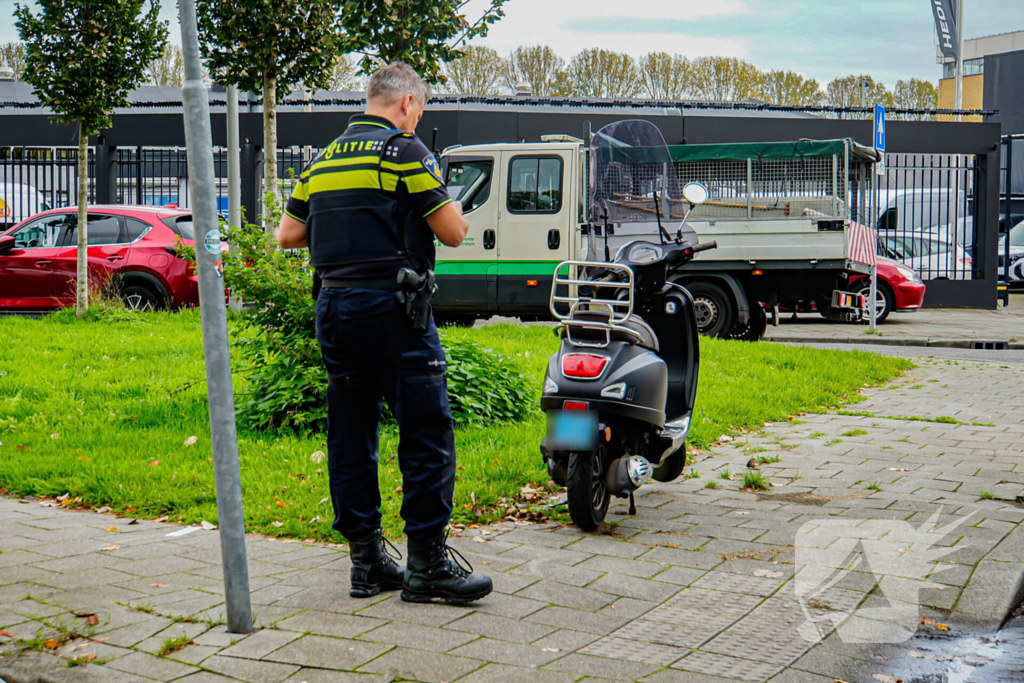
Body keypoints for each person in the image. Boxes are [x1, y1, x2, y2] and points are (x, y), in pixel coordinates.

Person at [276, 62, 491, 605]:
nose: (416, 119)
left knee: (351, 433)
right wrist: (452, 207)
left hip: (334, 308)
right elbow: (453, 232)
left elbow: (288, 234)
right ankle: (427, 566)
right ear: (408, 103)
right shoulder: (405, 152)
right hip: (394, 310)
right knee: (425, 430)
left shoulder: (323, 159)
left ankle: (366, 562)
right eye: (419, 110)